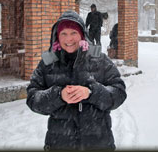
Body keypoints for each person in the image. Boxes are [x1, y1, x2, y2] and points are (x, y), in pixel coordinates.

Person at [26, 10, 127, 151]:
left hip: (98, 143)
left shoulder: (99, 59)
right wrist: (58, 95)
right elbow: (32, 98)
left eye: (73, 33)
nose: (69, 39)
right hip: (59, 143)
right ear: (57, 36)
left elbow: (119, 92)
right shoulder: (48, 62)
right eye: (64, 34)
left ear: (82, 35)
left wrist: (91, 93)